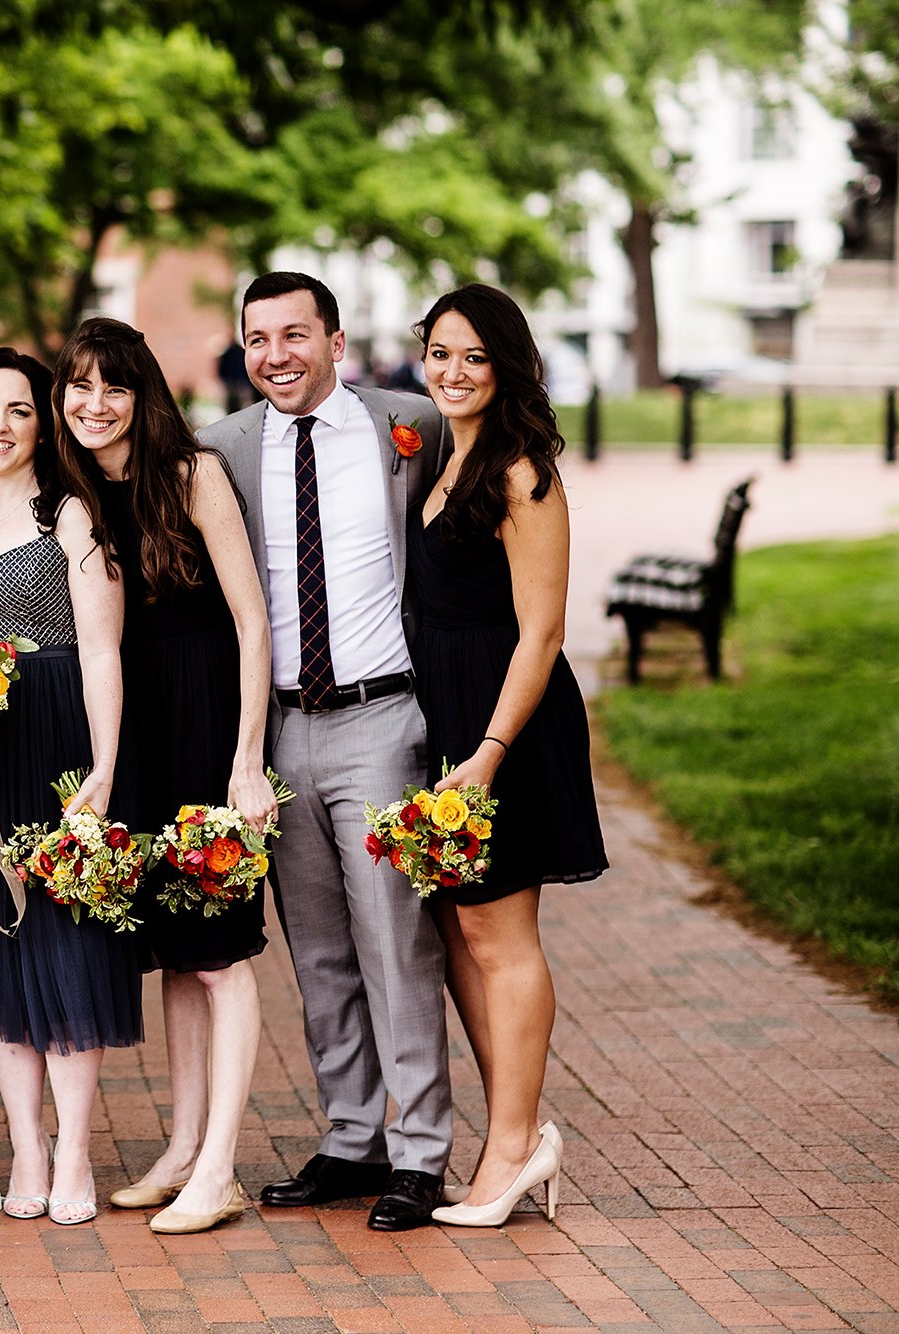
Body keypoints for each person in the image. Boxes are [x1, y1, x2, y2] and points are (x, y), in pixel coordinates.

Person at [198, 271, 452, 1232]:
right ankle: (354, 1138)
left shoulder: (411, 428)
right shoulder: (220, 448)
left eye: (294, 335)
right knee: (319, 949)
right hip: (278, 730)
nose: (276, 356)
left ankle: (422, 1152)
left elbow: (505, 447)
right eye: (258, 339)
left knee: (397, 941)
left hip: (384, 721)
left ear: (336, 342)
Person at [51, 317, 275, 1235]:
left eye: (113, 388)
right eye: (78, 388)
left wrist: (247, 760)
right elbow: (100, 649)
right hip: (138, 733)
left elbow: (252, 622)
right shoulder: (76, 502)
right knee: (177, 961)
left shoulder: (194, 475)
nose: (93, 406)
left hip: (209, 726)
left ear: (142, 398)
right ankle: (183, 1151)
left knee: (219, 958)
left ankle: (220, 1167)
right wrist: (105, 770)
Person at [409, 285, 606, 1227]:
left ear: (508, 365)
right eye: (440, 353)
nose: (453, 372)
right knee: (456, 937)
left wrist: (487, 752)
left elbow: (544, 631)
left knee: (499, 937)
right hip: (446, 719)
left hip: (504, 725)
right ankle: (517, 1134)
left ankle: (515, 1146)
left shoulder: (525, 471)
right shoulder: (449, 457)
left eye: (474, 357)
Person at [0, 347, 138, 1228]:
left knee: (70, 949)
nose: (0, 426)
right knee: (1, 954)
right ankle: (27, 1149)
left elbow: (100, 649)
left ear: (42, 420)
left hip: (58, 737)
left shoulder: (75, 516)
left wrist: (102, 768)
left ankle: (80, 1151)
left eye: (18, 410)